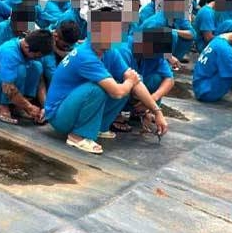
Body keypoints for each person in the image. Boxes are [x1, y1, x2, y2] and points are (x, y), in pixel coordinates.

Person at [44, 8, 168, 155]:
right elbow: (117, 91)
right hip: (59, 116)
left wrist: (157, 111)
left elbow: (134, 82)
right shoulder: (86, 55)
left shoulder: (109, 51)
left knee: (124, 84)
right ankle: (77, 136)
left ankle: (100, 127)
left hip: (71, 106)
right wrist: (129, 82)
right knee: (98, 89)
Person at [0, 29, 53, 125]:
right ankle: (3, 107)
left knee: (37, 66)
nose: (38, 58)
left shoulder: (29, 51)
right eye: (37, 55)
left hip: (4, 89)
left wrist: (46, 108)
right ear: (27, 47)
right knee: (20, 69)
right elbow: (8, 87)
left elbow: (40, 82)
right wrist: (29, 107)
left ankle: (17, 106)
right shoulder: (10, 52)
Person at [119, 28, 175, 129]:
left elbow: (169, 79)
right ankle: (116, 116)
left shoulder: (154, 50)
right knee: (124, 83)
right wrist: (156, 110)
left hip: (136, 87)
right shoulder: (124, 49)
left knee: (157, 79)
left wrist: (153, 99)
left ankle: (141, 112)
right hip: (117, 86)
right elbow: (134, 83)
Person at [139, 0, 196, 65]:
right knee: (171, 35)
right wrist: (169, 57)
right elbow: (143, 42)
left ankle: (168, 62)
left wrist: (172, 30)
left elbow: (192, 34)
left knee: (174, 34)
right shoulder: (156, 20)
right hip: (143, 54)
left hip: (161, 53)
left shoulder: (178, 16)